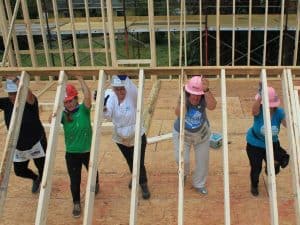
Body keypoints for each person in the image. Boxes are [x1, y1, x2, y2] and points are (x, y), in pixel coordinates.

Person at [102, 75, 150, 200]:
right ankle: (135, 176)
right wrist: (103, 107)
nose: (120, 92)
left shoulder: (132, 96)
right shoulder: (111, 96)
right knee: (130, 160)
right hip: (120, 138)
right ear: (113, 89)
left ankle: (143, 184)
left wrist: (124, 76)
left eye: (122, 89)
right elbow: (107, 116)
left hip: (137, 135)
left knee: (138, 161)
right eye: (117, 89)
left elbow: (133, 88)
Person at [61, 76, 99, 218]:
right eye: (66, 102)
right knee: (74, 179)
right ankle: (76, 202)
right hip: (71, 153)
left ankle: (96, 182)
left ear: (76, 99)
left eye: (71, 100)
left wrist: (80, 78)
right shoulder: (63, 115)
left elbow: (87, 95)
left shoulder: (84, 109)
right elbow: (50, 119)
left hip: (88, 150)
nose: (69, 104)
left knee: (93, 171)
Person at [0, 77, 47, 194]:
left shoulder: (30, 101)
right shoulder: (6, 103)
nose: (13, 96)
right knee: (19, 171)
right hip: (18, 146)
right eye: (11, 93)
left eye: (15, 93)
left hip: (36, 142)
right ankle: (35, 178)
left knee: (42, 168)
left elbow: (29, 94)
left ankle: (43, 180)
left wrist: (17, 80)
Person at [172, 75, 217, 195]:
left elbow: (213, 106)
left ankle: (199, 184)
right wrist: (181, 98)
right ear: (188, 91)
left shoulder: (203, 97)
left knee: (203, 161)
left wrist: (206, 90)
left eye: (198, 94)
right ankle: (185, 173)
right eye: (193, 93)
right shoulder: (184, 97)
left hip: (201, 133)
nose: (196, 97)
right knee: (181, 159)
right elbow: (178, 113)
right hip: (182, 133)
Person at [246, 85, 289, 197]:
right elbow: (253, 111)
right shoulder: (259, 110)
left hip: (272, 143)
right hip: (255, 144)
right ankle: (254, 185)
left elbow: (287, 124)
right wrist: (260, 97)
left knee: (276, 166)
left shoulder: (279, 112)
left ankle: (273, 164)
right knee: (256, 167)